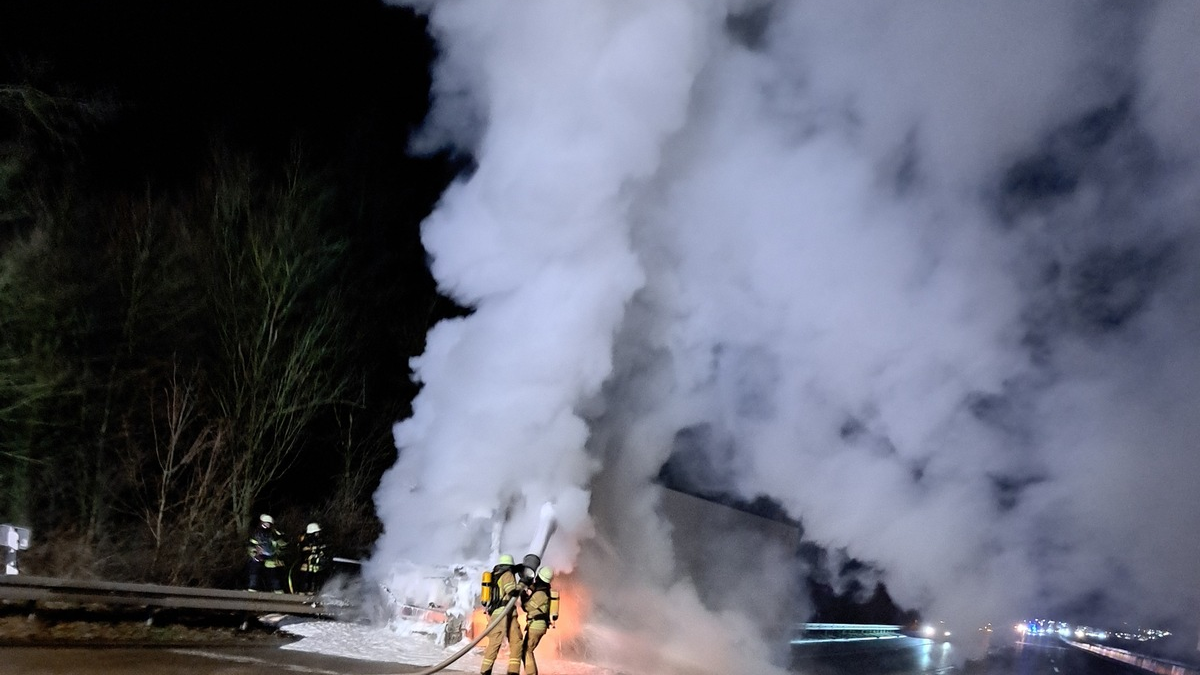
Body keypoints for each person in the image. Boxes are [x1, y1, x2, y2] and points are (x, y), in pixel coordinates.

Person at [480, 553, 524, 675]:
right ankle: (485, 671)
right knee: (496, 643)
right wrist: (523, 583)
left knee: (516, 640)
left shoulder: (496, 575)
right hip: (502, 613)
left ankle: (513, 671)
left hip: (507, 613)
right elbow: (512, 592)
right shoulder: (507, 574)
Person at [520, 566, 554, 675]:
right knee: (525, 650)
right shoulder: (543, 590)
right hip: (536, 625)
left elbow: (527, 607)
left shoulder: (541, 594)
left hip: (536, 625)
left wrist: (523, 596)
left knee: (527, 651)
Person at [246, 513, 287, 593]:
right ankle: (252, 591)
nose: (266, 526)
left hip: (272, 559)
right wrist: (255, 555)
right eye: (265, 524)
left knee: (274, 577)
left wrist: (279, 555)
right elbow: (251, 546)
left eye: (268, 524)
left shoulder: (275, 534)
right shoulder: (257, 534)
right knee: (254, 575)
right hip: (258, 558)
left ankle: (278, 592)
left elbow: (283, 546)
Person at [295, 522, 328, 594]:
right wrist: (311, 550)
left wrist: (322, 552)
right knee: (305, 578)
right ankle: (302, 591)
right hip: (306, 564)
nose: (318, 534)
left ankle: (312, 590)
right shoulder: (305, 541)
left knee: (315, 579)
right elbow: (303, 551)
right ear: (312, 533)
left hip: (315, 565)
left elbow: (323, 549)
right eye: (316, 533)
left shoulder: (319, 540)